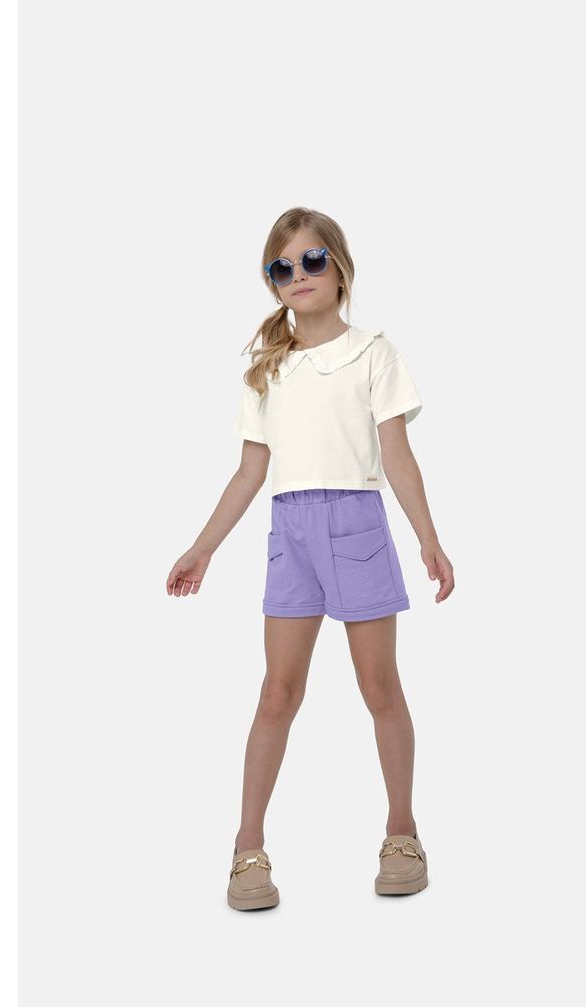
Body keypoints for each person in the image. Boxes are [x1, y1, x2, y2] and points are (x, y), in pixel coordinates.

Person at [166, 207, 455, 910]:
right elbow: (249, 472)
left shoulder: (374, 353)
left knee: (379, 686)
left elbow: (398, 455)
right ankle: (248, 847)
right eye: (282, 267)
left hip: (358, 524)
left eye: (312, 259)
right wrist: (203, 547)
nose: (299, 274)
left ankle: (402, 831)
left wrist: (428, 535)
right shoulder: (266, 370)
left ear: (340, 268)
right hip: (289, 531)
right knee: (277, 691)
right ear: (272, 281)